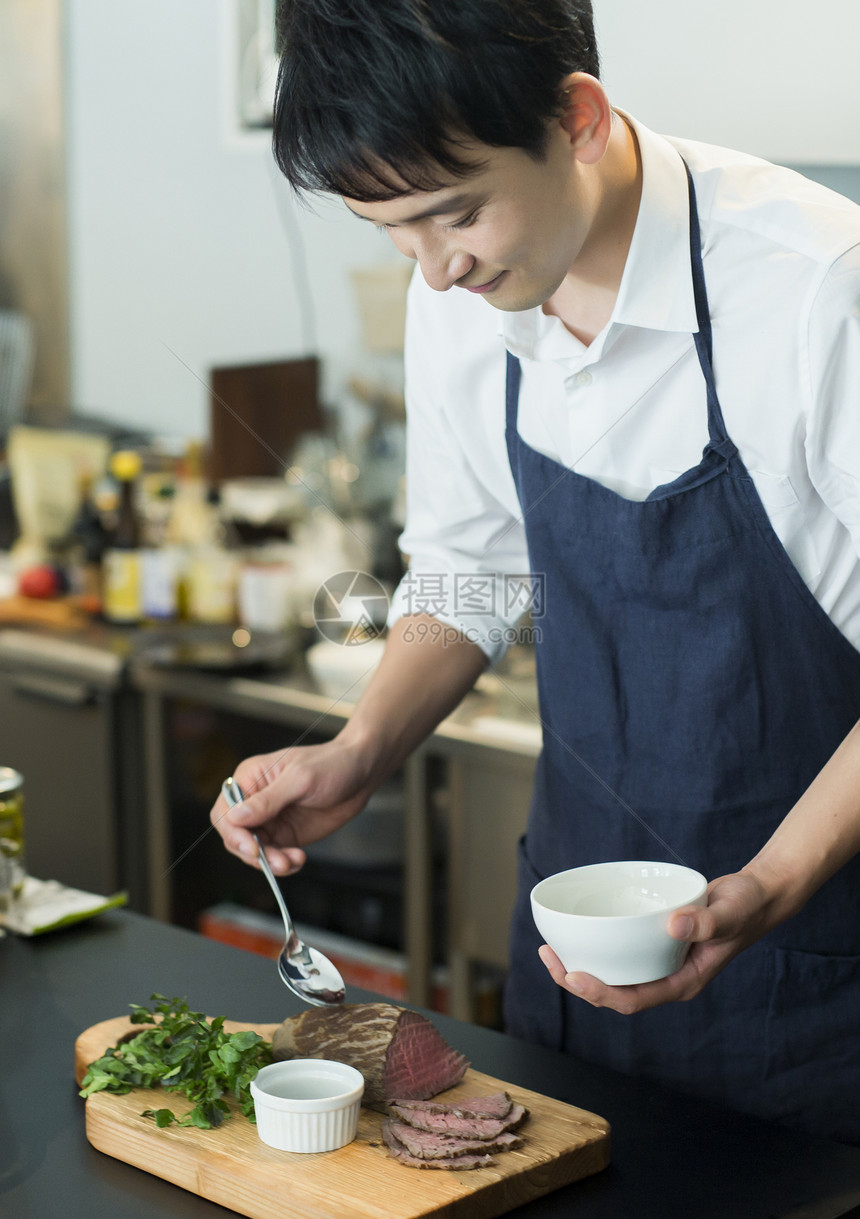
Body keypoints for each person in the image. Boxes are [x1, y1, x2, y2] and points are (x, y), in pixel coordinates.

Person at [210, 0, 860, 1144]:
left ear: (578, 118)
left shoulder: (813, 289)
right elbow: (472, 564)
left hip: (818, 981)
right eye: (390, 231)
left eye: (453, 213)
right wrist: (362, 747)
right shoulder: (458, 293)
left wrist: (766, 886)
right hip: (571, 957)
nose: (436, 268)